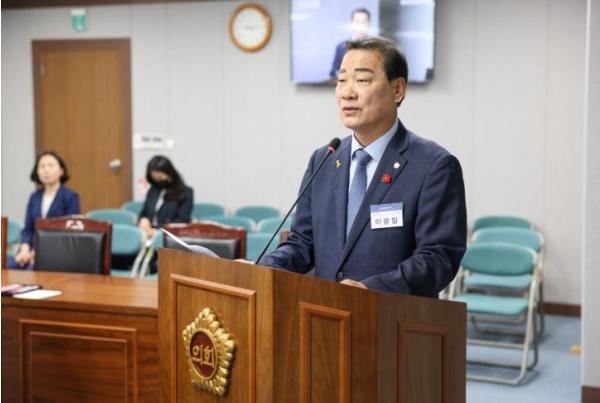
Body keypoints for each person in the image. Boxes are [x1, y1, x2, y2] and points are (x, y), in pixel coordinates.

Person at [260, 37, 467, 297]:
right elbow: (302, 243)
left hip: (393, 317)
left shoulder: (433, 166)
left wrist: (369, 290)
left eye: (362, 80)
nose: (347, 92)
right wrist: (259, 269)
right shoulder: (324, 160)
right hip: (326, 313)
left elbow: (438, 258)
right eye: (341, 80)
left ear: (397, 89)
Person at [11, 151, 80, 269]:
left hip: (57, 253)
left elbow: (69, 232)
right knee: (8, 268)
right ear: (37, 172)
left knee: (29, 273)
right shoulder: (34, 197)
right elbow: (28, 229)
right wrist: (24, 249)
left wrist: (39, 253)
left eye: (51, 165)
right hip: (30, 251)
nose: (46, 169)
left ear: (61, 171)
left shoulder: (70, 197)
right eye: (42, 166)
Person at [138, 155, 193, 239]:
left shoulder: (186, 192)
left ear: (170, 173)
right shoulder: (153, 190)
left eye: (161, 178)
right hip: (148, 235)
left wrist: (158, 231)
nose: (159, 181)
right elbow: (144, 212)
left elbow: (182, 221)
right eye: (155, 179)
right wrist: (143, 219)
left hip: (170, 236)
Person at [330, 8, 371, 80]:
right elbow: (333, 71)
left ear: (368, 24)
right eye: (357, 22)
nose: (361, 26)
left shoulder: (377, 47)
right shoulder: (341, 47)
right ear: (352, 23)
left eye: (364, 22)